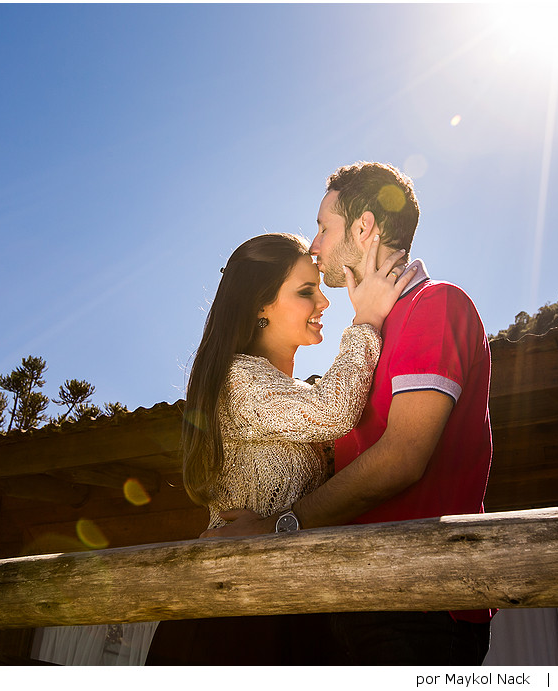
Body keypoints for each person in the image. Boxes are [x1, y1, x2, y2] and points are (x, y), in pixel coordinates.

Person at [202, 162, 495, 665]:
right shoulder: (370, 336)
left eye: (323, 226)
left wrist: (280, 525)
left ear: (363, 228)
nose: (315, 245)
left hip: (418, 597)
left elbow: (403, 457)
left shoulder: (433, 306)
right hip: (350, 600)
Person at [145, 232, 415, 665]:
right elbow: (334, 413)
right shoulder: (238, 379)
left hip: (292, 608)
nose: (324, 303)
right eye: (307, 292)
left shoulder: (290, 393)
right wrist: (366, 321)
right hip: (232, 616)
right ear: (259, 306)